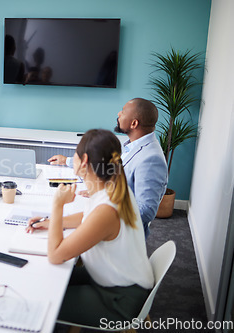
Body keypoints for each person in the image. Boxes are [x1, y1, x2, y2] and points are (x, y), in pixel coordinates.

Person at [28, 129, 154, 327]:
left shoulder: (107, 208)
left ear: (84, 161)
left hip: (118, 300)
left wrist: (57, 205)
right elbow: (89, 218)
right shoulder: (113, 187)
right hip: (113, 278)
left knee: (39, 300)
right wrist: (52, 221)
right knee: (39, 277)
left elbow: (56, 254)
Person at [48, 98, 168, 237]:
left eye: (123, 112)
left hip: (122, 234)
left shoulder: (151, 158)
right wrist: (103, 192)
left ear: (134, 123)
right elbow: (113, 172)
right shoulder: (134, 146)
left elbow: (146, 211)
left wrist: (104, 209)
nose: (118, 114)